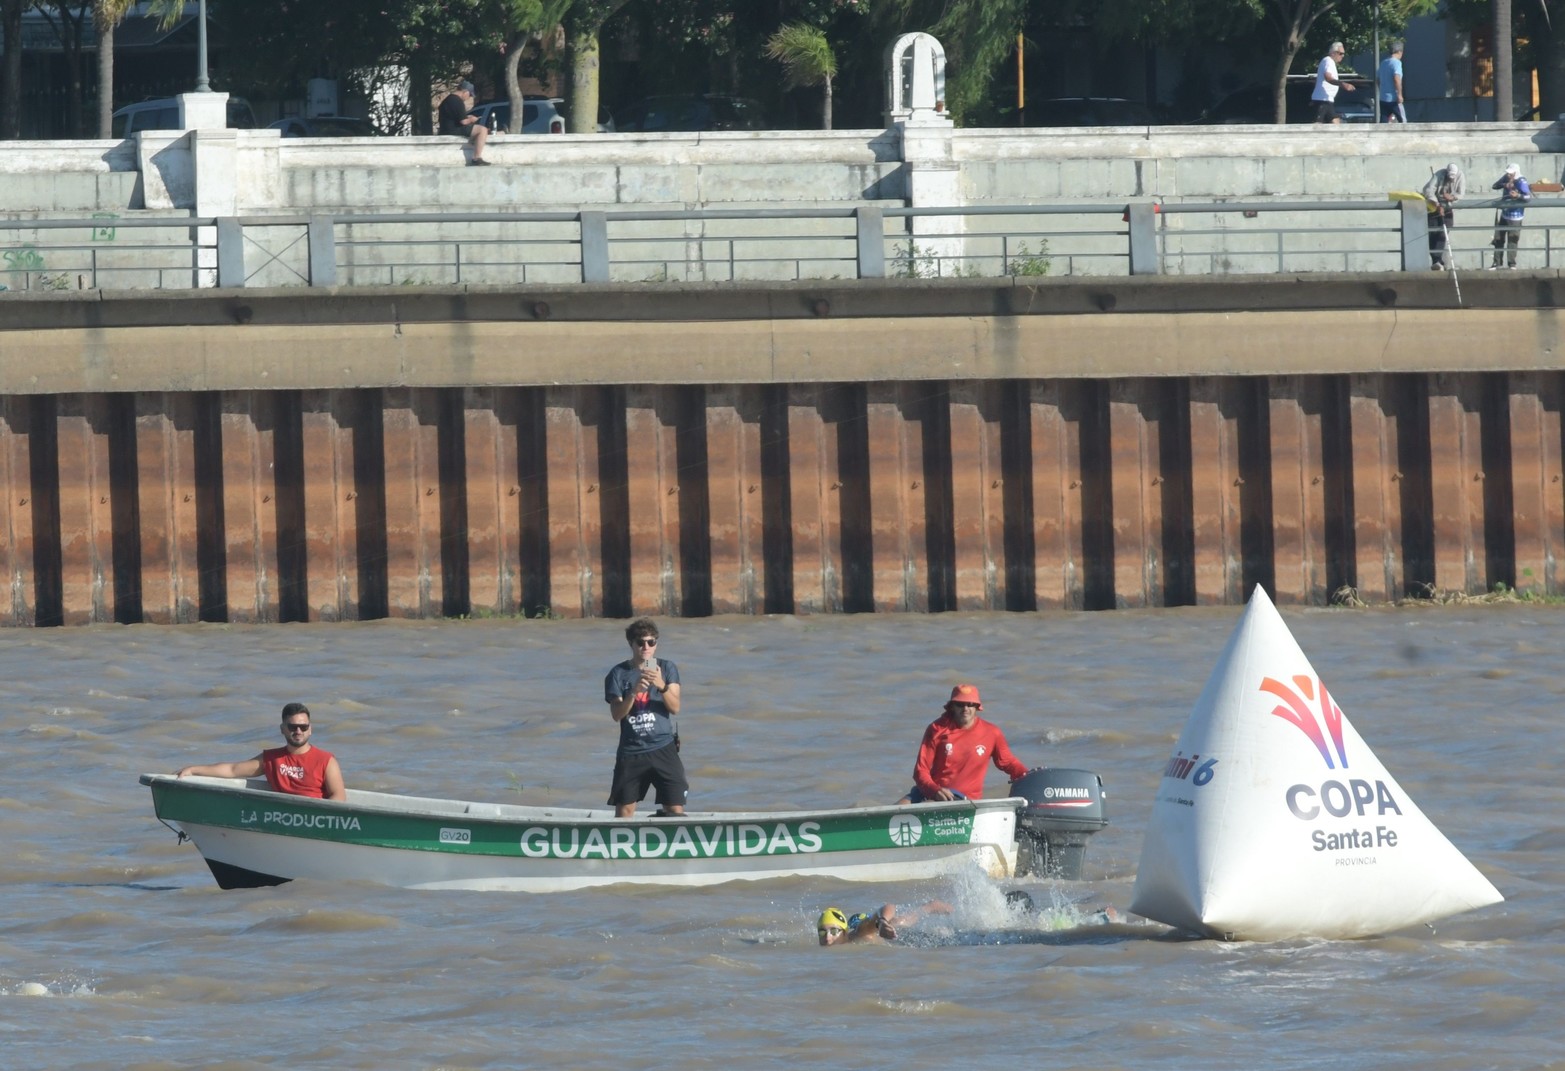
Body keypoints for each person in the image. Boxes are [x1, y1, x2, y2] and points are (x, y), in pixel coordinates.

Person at [176, 703, 346, 800]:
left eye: (303, 726)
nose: (298, 731)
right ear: (283, 729)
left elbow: (339, 796)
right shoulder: (271, 759)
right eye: (293, 727)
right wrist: (193, 769)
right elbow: (233, 770)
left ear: (310, 729)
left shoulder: (326, 760)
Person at [605, 618, 686, 818]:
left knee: (674, 808)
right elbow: (616, 715)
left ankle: (671, 845)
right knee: (625, 809)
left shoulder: (666, 669)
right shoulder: (618, 673)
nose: (646, 647)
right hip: (632, 750)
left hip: (663, 747)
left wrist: (661, 685)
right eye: (640, 642)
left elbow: (675, 708)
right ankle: (622, 846)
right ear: (631, 644)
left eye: (651, 642)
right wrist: (633, 692)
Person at [897, 684, 1029, 804]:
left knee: (926, 807)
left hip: (962, 799)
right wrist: (934, 790)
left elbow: (1009, 763)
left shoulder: (992, 733)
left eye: (970, 704)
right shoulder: (936, 729)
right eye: (960, 704)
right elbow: (921, 771)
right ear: (952, 706)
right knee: (896, 809)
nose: (965, 708)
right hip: (931, 790)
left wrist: (1031, 778)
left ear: (977, 707)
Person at [816, 901, 953, 946]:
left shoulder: (860, 932)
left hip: (884, 932)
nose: (827, 938)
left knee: (901, 921)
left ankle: (930, 906)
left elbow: (887, 906)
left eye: (834, 931)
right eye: (822, 932)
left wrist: (882, 922)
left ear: (844, 932)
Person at [1422, 162, 1465, 270]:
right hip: (1434, 207)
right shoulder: (1439, 175)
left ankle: (1438, 260)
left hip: (1448, 209)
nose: (1451, 178)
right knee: (1432, 234)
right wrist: (1436, 204)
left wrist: (1452, 197)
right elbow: (1428, 190)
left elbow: (1461, 193)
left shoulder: (1460, 176)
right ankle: (1436, 260)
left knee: (1443, 233)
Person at [1489, 163, 1532, 270]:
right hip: (1504, 213)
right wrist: (1505, 185)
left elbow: (1527, 197)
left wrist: (1518, 195)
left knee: (1512, 240)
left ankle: (1511, 263)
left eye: (1511, 174)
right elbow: (1494, 186)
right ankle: (1497, 262)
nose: (1509, 176)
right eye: (1508, 174)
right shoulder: (1505, 178)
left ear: (1515, 173)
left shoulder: (1522, 181)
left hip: (1515, 216)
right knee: (1499, 238)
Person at [438, 80, 490, 166]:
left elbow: (457, 117)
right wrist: (472, 119)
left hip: (445, 128)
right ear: (465, 92)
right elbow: (464, 122)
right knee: (482, 130)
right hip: (453, 130)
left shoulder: (449, 99)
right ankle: (477, 158)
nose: (469, 97)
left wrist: (468, 118)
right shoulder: (458, 101)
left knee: (477, 130)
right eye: (469, 95)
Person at [1311, 41, 1356, 123]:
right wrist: (1343, 84)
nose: (1343, 56)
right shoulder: (1328, 61)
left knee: (1335, 123)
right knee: (1317, 126)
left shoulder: (1329, 62)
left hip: (1328, 100)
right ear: (1333, 53)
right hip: (1322, 100)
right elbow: (1328, 77)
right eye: (1340, 53)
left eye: (1343, 54)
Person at [1377, 41, 1405, 123]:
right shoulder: (1396, 63)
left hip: (1383, 98)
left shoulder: (1383, 63)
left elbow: (1378, 80)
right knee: (1402, 120)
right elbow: (1397, 79)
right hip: (1394, 99)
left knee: (1384, 121)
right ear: (1400, 52)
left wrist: (1382, 90)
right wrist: (1399, 95)